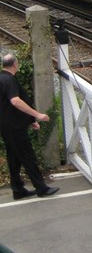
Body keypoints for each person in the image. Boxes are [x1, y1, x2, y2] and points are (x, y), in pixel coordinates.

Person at [0, 53, 59, 199]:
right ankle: (41, 187)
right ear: (15, 64)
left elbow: (7, 106)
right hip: (15, 128)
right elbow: (15, 101)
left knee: (14, 158)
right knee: (28, 157)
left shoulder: (2, 79)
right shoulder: (9, 80)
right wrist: (37, 114)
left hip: (7, 126)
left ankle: (18, 190)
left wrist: (30, 120)